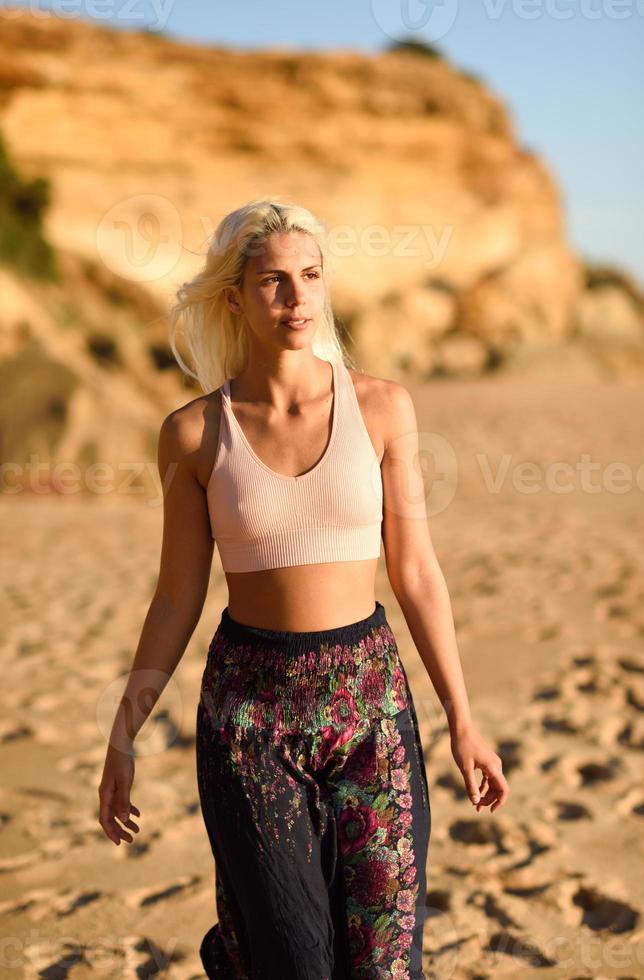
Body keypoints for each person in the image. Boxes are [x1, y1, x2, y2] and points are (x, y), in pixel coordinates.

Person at [97, 198, 509, 979]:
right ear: (235, 297)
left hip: (372, 707)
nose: (296, 299)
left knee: (386, 963)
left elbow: (415, 569)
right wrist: (124, 732)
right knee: (293, 961)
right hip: (249, 714)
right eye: (273, 282)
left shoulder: (384, 408)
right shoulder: (193, 434)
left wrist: (463, 718)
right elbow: (176, 597)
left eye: (310, 276)